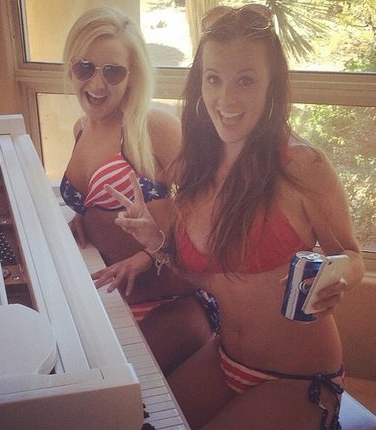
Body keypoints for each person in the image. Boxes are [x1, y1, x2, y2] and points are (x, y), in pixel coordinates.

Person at [105, 4, 365, 429]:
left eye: (245, 80)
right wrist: (158, 245)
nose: (225, 100)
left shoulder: (303, 166)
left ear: (271, 85)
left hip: (298, 379)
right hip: (224, 358)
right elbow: (212, 281)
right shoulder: (196, 166)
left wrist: (337, 275)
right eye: (214, 79)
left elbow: (351, 256)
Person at [60, 6, 218, 374]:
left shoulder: (152, 126)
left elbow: (213, 207)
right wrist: (85, 217)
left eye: (113, 72)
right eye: (85, 67)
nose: (97, 85)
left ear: (132, 76)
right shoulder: (81, 129)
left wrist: (150, 254)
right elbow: (101, 205)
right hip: (116, 302)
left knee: (113, 393)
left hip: (173, 303)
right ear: (71, 67)